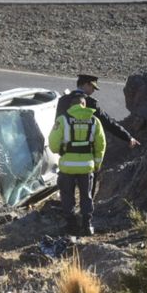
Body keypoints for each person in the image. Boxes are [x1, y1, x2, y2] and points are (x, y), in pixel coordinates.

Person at [49, 93, 106, 236]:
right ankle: (87, 225)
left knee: (67, 195)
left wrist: (62, 149)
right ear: (84, 105)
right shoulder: (94, 121)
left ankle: (71, 225)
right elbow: (101, 145)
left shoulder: (62, 120)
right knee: (86, 196)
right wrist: (97, 164)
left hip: (67, 167)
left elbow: (53, 144)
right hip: (87, 166)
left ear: (71, 106)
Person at [56, 74, 140, 149]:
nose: (93, 91)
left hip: (66, 149)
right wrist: (128, 137)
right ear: (86, 84)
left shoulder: (62, 100)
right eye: (93, 87)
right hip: (86, 151)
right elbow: (108, 122)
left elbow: (57, 124)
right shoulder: (90, 102)